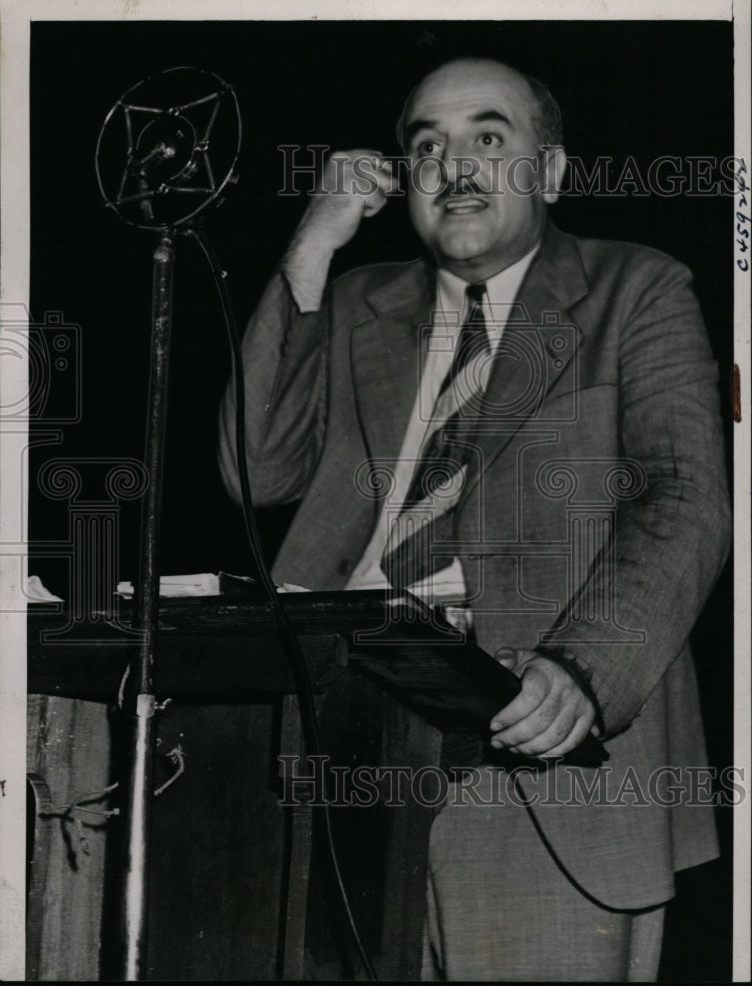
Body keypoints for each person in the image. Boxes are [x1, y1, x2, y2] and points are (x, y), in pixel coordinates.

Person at [219, 58, 731, 981]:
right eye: (426, 146)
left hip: (533, 745)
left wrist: (582, 670)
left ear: (554, 171)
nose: (453, 166)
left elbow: (685, 495)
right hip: (341, 742)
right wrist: (310, 248)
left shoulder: (637, 290)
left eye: (488, 139)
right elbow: (255, 470)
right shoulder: (354, 305)